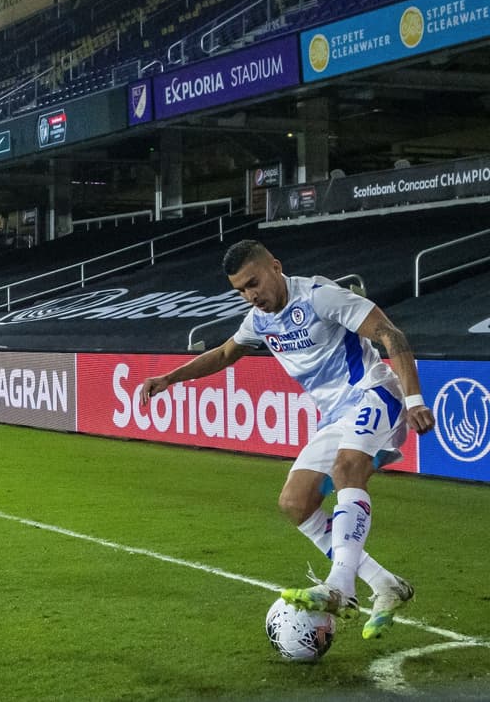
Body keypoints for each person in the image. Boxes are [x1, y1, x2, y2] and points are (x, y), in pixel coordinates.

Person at [139, 240, 434, 640]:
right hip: (334, 416)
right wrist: (170, 377)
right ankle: (385, 584)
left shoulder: (319, 296)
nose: (250, 295)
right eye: (241, 290)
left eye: (254, 283)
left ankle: (340, 588)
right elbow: (224, 354)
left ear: (275, 267)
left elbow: (389, 333)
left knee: (347, 468)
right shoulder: (258, 320)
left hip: (373, 393)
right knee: (295, 503)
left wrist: (414, 399)